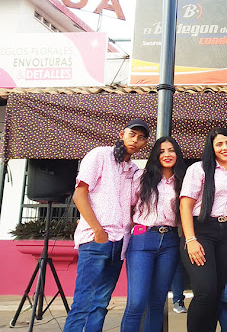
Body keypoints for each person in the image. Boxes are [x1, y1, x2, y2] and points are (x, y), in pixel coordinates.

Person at [64, 119, 150, 332]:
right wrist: (97, 230)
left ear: (144, 144)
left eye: (141, 138)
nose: (135, 140)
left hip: (120, 243)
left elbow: (132, 207)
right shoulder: (100, 155)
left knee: (101, 303)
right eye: (132, 134)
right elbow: (80, 194)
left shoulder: (134, 170)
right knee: (83, 302)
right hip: (96, 240)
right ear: (122, 134)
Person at [180, 127, 227, 332]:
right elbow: (185, 205)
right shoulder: (199, 169)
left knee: (216, 293)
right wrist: (191, 239)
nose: (225, 147)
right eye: (219, 144)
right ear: (212, 147)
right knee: (204, 292)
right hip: (201, 230)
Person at [121, 136, 187, 332]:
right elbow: (128, 207)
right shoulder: (142, 177)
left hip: (170, 241)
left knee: (157, 303)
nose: (167, 154)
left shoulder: (183, 180)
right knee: (137, 302)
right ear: (155, 155)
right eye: (162, 151)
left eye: (171, 150)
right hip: (143, 238)